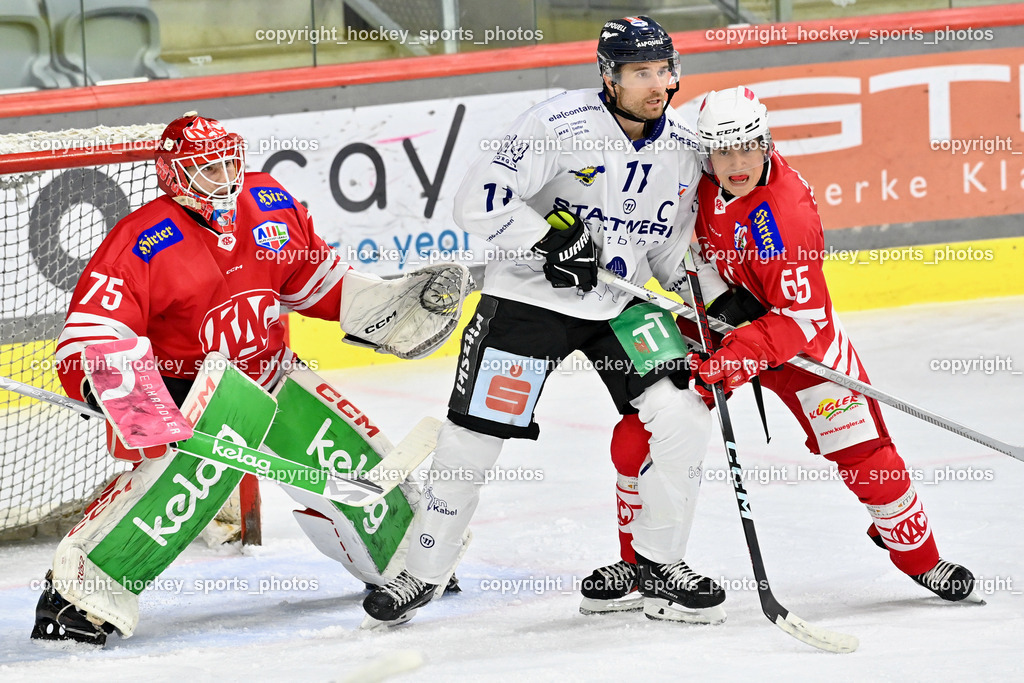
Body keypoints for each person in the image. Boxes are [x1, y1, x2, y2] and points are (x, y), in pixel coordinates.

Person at [31, 113, 469, 645]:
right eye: (207, 169)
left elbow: (312, 279)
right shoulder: (142, 239)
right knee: (168, 500)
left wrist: (377, 304)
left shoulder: (269, 202)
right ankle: (75, 601)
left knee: (356, 466)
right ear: (173, 174)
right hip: (195, 396)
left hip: (271, 371)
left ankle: (412, 564)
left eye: (228, 164)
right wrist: (129, 397)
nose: (224, 178)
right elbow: (93, 332)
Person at [363, 16, 728, 627]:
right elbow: (477, 201)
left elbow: (669, 250)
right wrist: (549, 241)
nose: (657, 84)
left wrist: (717, 302)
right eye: (640, 72)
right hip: (528, 301)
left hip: (619, 305)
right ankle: (421, 573)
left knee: (684, 416)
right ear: (609, 77)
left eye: (664, 70)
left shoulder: (686, 150)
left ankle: (659, 564)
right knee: (471, 441)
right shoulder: (556, 124)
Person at [585, 86, 978, 613]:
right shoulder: (695, 176)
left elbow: (801, 315)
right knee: (646, 428)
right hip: (716, 319)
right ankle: (639, 564)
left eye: (747, 148)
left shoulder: (786, 216)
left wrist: (738, 355)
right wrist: (710, 305)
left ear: (766, 143)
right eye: (723, 151)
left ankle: (921, 559)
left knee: (866, 455)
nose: (736, 163)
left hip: (797, 341)